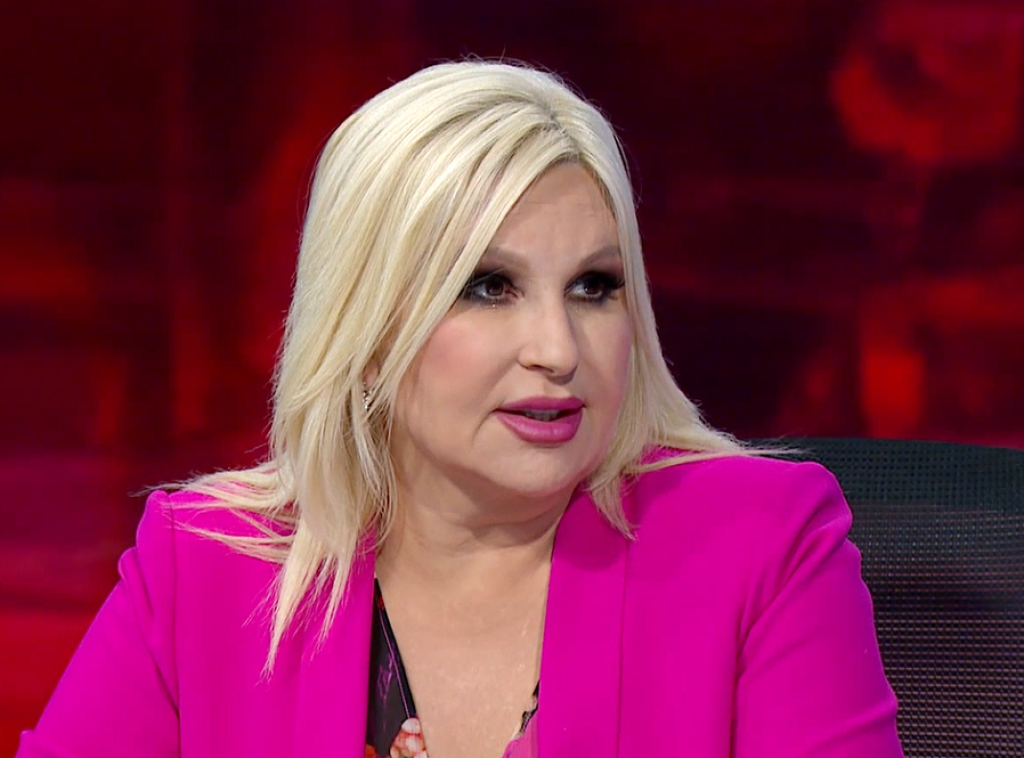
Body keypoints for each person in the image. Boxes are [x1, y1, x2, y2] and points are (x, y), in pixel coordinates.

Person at [17, 60, 904, 758]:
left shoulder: (758, 544)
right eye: (488, 286)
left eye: (594, 287)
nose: (558, 348)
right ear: (367, 325)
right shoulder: (205, 568)